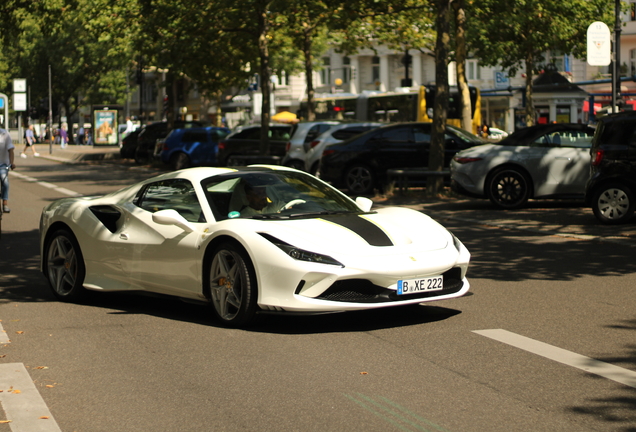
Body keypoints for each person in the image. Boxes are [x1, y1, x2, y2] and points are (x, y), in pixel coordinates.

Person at [0, 128, 16, 213]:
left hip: (3, 164)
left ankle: (5, 203)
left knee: (5, 180)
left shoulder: (5, 134)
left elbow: (11, 149)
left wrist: (12, 163)